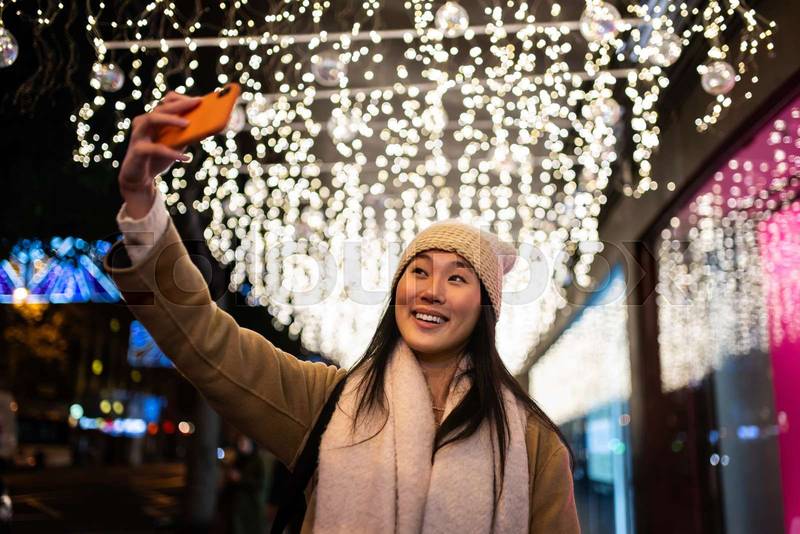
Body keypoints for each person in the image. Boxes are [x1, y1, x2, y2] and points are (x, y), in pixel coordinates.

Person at [104, 92, 580, 533]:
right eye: (418, 272)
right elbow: (203, 339)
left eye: (457, 278)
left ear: (487, 307)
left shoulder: (533, 446)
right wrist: (141, 200)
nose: (431, 291)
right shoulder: (326, 403)